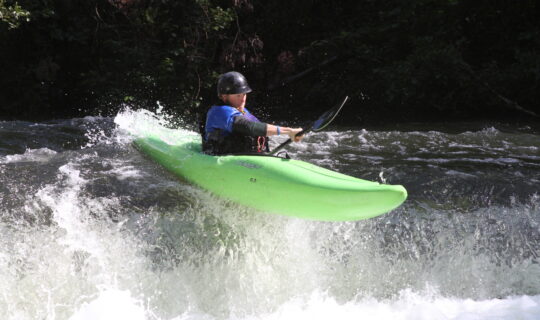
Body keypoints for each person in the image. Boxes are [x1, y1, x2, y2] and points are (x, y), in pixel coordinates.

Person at [202, 71, 304, 155]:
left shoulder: (243, 111)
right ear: (224, 96)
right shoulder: (219, 112)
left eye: (244, 95)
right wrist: (288, 131)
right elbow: (249, 127)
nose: (243, 100)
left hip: (246, 159)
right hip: (220, 157)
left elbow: (261, 130)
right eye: (238, 96)